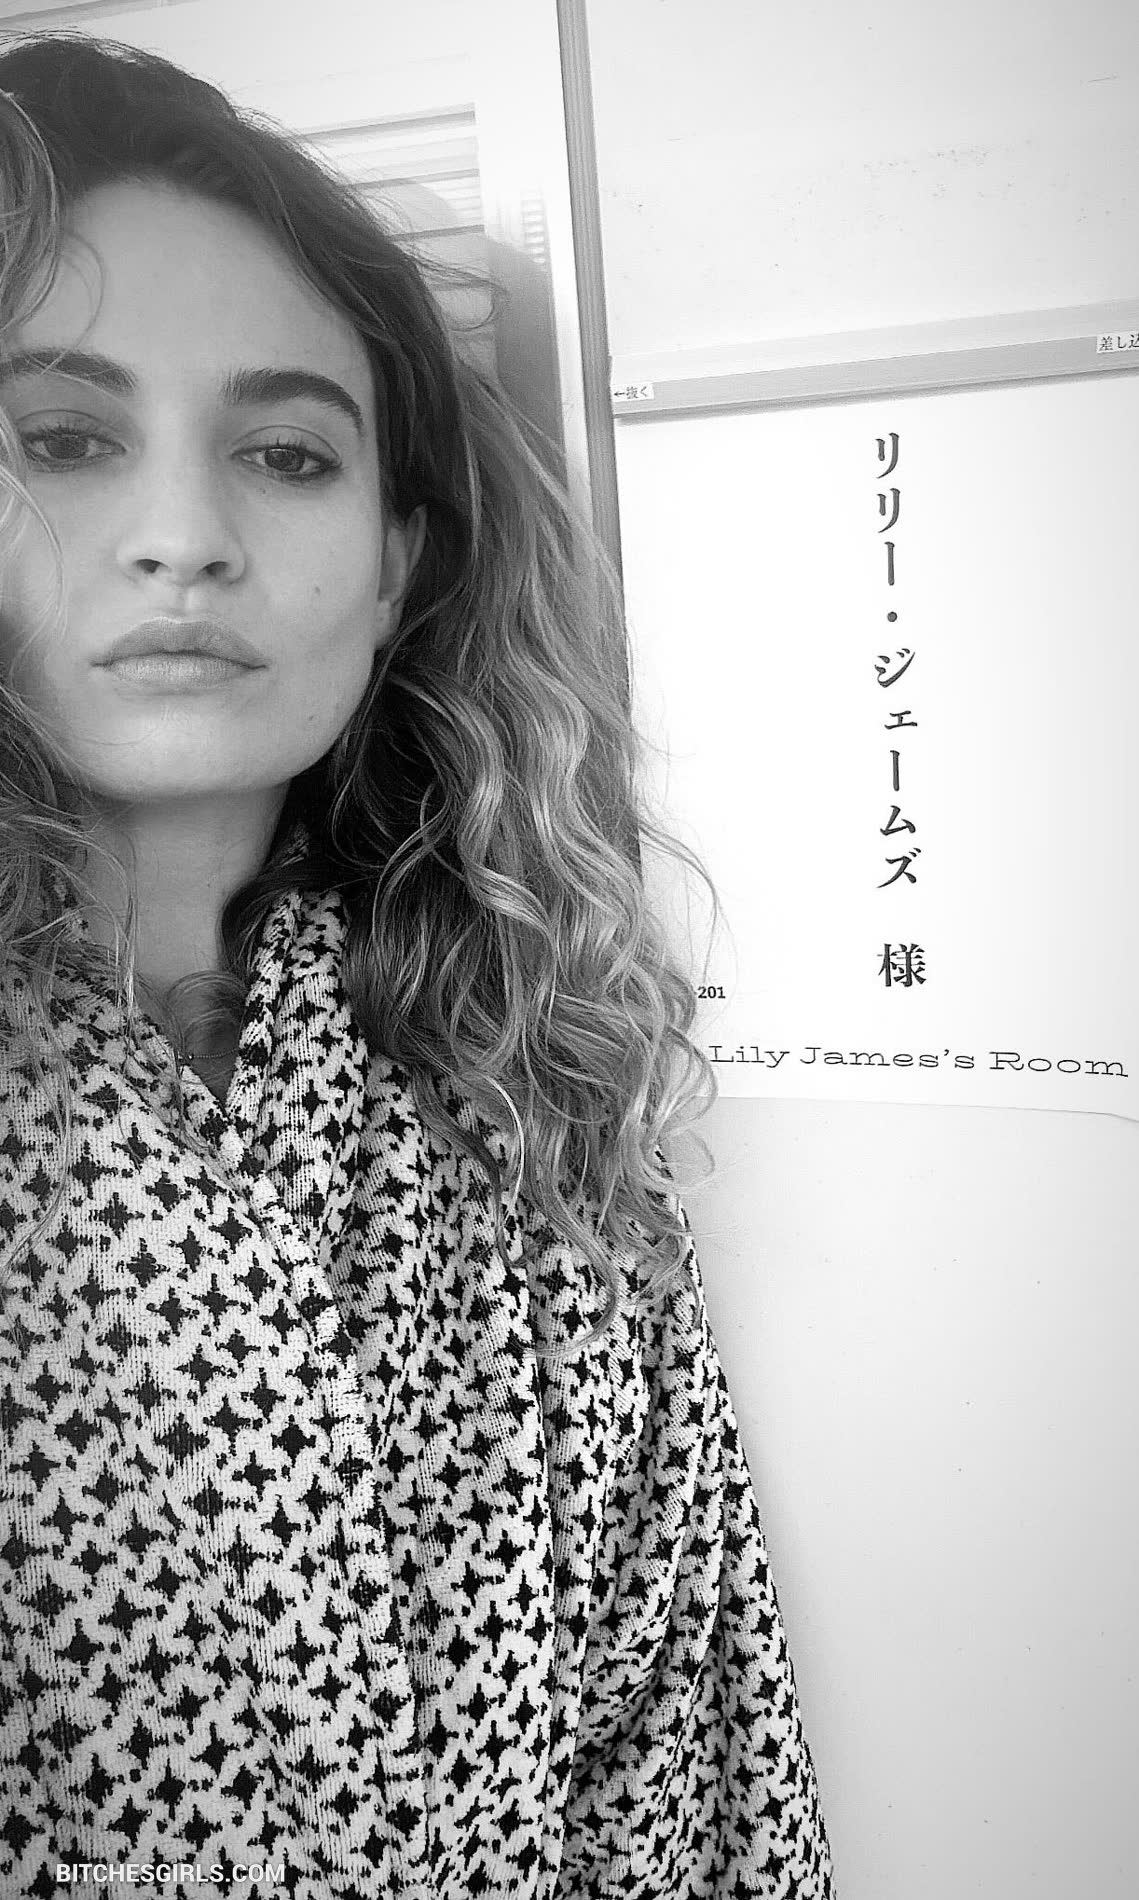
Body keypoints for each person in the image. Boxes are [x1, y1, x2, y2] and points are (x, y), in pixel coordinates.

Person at [0, 32, 835, 1899]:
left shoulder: (528, 1103)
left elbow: (694, 1778)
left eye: (288, 455)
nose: (183, 539)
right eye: (62, 439)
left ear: (394, 569)